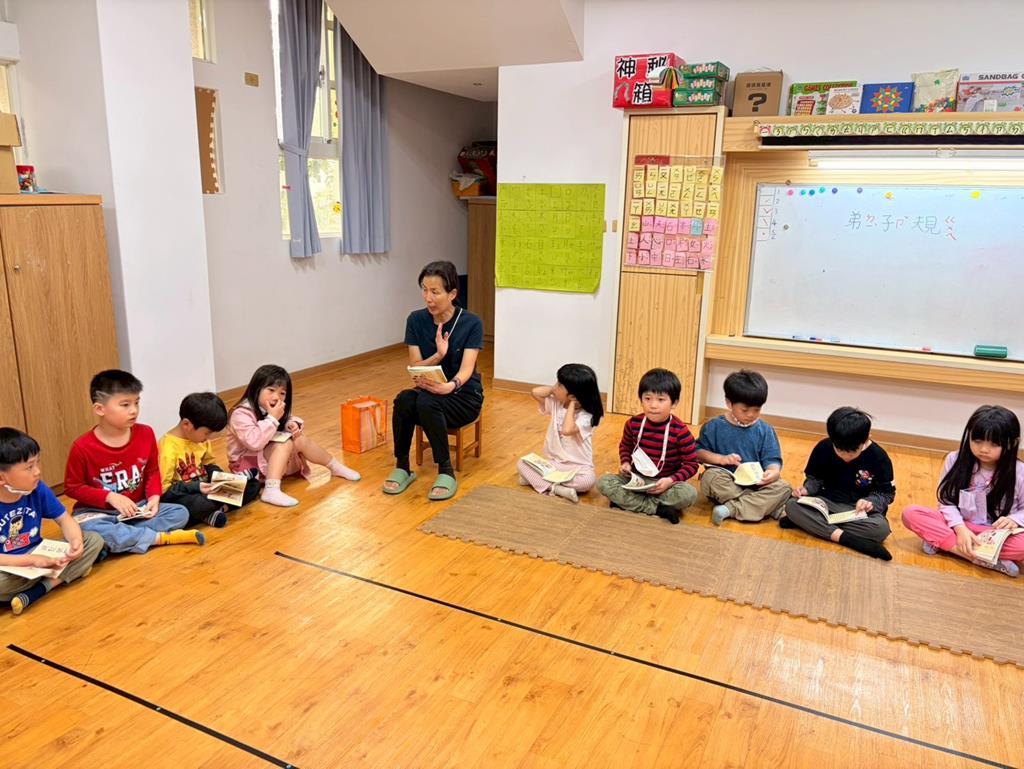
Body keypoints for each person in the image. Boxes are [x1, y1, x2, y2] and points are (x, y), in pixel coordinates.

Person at [64, 370, 203, 553]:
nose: (134, 410)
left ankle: (121, 539)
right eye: (125, 405)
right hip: (97, 513)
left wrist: (154, 497)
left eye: (136, 402)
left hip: (137, 510)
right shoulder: (82, 447)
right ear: (100, 409)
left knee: (180, 513)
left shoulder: (146, 433)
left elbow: (152, 471)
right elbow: (73, 487)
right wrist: (109, 497)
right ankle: (156, 538)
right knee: (89, 527)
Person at [383, 260, 484, 501]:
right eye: (424, 290)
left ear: (452, 294)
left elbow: (467, 369)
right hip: (428, 395)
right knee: (404, 399)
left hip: (463, 397)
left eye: (435, 292)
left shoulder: (471, 323)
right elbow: (416, 367)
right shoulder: (415, 320)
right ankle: (402, 467)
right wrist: (438, 355)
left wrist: (448, 387)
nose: (428, 298)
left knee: (428, 401)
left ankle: (446, 471)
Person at [902, 405, 1024, 578]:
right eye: (977, 441)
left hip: (995, 534)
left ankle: (946, 544)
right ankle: (984, 558)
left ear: (1012, 443)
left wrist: (1014, 519)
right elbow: (946, 501)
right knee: (911, 513)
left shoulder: (1019, 471)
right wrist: (960, 529)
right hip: (958, 525)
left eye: (994, 444)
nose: (984, 449)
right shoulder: (954, 459)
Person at [0, 428, 104, 615]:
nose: (37, 472)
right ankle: (61, 577)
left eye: (37, 463)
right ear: (2, 477)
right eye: (29, 467)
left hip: (39, 555)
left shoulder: (37, 489)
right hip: (10, 565)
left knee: (93, 540)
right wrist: (30, 561)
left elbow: (64, 519)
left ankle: (42, 587)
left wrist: (76, 541)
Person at [227, 364, 360, 508]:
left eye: (282, 393)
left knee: (299, 440)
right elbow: (254, 442)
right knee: (284, 444)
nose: (276, 397)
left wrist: (290, 424)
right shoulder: (241, 413)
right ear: (256, 388)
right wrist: (272, 418)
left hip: (265, 456)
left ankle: (335, 467)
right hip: (246, 465)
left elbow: (285, 420)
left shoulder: (272, 408)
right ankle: (271, 490)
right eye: (271, 390)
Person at [780, 407, 895, 560]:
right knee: (791, 505)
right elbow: (815, 479)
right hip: (826, 502)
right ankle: (848, 539)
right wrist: (806, 490)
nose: (845, 456)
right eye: (839, 450)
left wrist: (870, 502)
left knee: (880, 529)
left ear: (866, 438)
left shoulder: (879, 457)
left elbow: (886, 494)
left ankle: (812, 524)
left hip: (856, 511)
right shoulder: (823, 447)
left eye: (852, 451)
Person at [596, 368, 699, 524]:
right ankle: (657, 509)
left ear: (674, 403)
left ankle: (629, 503)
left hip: (664, 484)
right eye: (648, 398)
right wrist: (625, 463)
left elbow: (692, 465)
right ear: (641, 399)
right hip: (636, 480)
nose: (653, 405)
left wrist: (670, 480)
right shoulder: (633, 424)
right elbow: (625, 447)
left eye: (661, 400)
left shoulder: (680, 431)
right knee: (604, 482)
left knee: (689, 494)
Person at [696, 369, 791, 525]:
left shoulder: (765, 430)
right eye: (745, 410)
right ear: (729, 403)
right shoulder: (714, 426)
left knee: (784, 487)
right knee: (710, 478)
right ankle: (765, 506)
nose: (751, 415)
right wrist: (721, 459)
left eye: (757, 410)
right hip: (728, 481)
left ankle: (732, 508)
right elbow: (698, 452)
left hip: (757, 484)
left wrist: (773, 472)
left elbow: (772, 458)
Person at [159, 392, 260, 528]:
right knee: (199, 504)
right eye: (207, 433)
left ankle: (217, 510)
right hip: (185, 495)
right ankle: (214, 508)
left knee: (253, 485)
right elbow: (164, 491)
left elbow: (209, 464)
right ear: (187, 424)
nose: (208, 438)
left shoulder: (200, 440)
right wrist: (197, 487)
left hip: (206, 488)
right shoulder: (167, 448)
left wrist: (222, 478)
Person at [516, 363, 603, 503]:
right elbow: (535, 392)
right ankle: (557, 489)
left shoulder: (588, 416)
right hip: (554, 464)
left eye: (560, 385)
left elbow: (567, 430)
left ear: (573, 395)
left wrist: (572, 404)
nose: (555, 386)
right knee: (522, 463)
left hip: (578, 467)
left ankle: (536, 481)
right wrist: (554, 389)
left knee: (588, 481)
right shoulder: (556, 403)